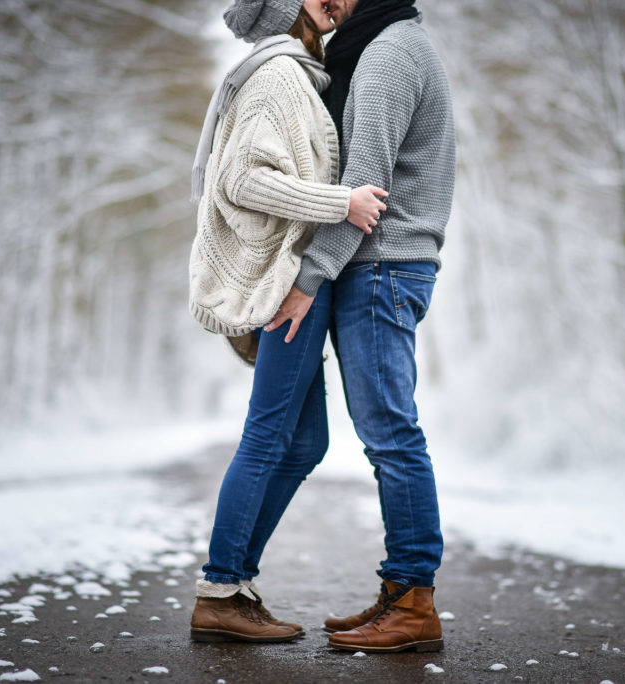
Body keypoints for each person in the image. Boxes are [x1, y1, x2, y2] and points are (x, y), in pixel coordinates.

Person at [187, 0, 388, 643]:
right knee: (270, 435)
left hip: (297, 277)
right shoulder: (278, 75)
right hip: (285, 281)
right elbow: (243, 180)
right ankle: (221, 589)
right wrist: (340, 202)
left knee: (303, 443)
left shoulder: (297, 72)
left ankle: (233, 584)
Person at [265, 0, 456, 653]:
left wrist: (307, 279)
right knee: (388, 435)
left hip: (381, 267)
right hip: (384, 267)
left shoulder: (387, 55)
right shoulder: (386, 43)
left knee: (391, 436)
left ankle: (414, 602)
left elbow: (364, 192)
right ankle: (400, 590)